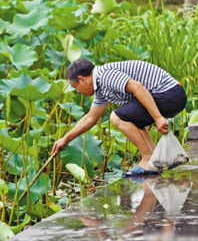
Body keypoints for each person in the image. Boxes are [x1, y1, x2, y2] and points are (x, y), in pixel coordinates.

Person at [52, 58, 187, 176]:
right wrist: (65, 139)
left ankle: (147, 158)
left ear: (82, 79)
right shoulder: (101, 89)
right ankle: (154, 160)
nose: (78, 91)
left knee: (116, 116)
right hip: (165, 96)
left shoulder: (105, 75)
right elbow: (90, 118)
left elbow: (137, 87)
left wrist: (158, 118)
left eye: (76, 87)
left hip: (169, 94)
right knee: (130, 117)